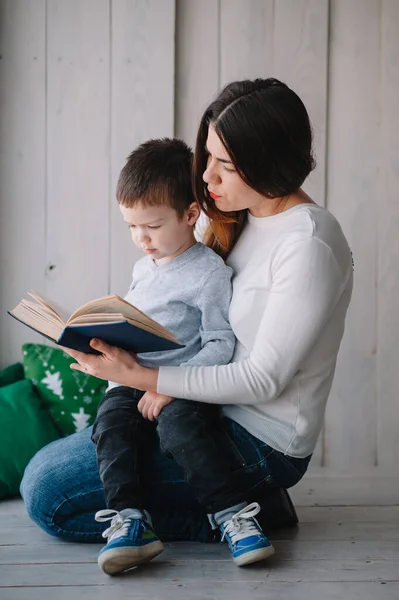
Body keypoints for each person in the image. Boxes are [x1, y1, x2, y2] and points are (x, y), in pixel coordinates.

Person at [21, 77, 353, 572]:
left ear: (270, 163)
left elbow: (264, 379)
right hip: (194, 402)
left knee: (49, 495)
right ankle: (212, 509)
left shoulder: (307, 244)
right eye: (209, 157)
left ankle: (234, 515)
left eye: (227, 164)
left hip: (258, 438)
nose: (208, 177)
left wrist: (146, 378)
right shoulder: (231, 214)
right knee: (42, 472)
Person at [86, 138, 245, 574]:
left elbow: (220, 343)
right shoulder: (144, 267)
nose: (141, 239)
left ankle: (232, 515)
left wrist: (169, 385)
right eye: (132, 227)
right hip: (133, 378)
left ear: (191, 214)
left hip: (180, 385)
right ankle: (129, 522)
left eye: (152, 226)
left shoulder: (209, 273)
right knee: (111, 427)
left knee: (181, 430)